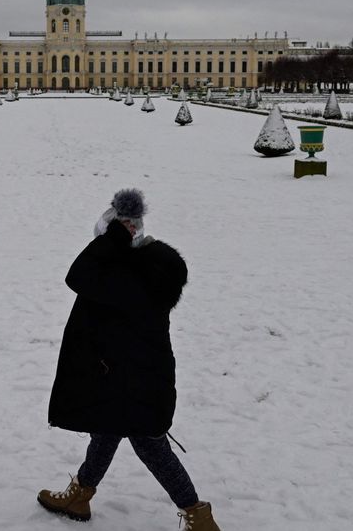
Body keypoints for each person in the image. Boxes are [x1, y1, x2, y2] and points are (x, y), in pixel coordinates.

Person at [39, 189, 221, 530]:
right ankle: (81, 495)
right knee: (105, 433)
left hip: (136, 381)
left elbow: (77, 275)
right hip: (127, 376)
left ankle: (198, 516)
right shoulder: (141, 267)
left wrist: (114, 239)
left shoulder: (131, 274)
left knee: (151, 447)